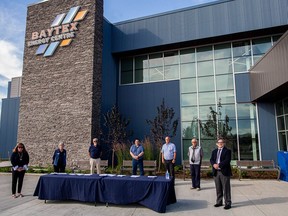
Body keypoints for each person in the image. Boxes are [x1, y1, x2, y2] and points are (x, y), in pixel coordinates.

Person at [210, 138, 232, 210]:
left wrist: (218, 165)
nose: (220, 143)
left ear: (224, 143)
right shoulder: (214, 151)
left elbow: (227, 160)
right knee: (218, 188)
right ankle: (219, 202)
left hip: (224, 172)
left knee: (226, 188)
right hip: (216, 172)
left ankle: (228, 203)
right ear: (217, 143)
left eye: (222, 142)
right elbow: (211, 159)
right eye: (219, 142)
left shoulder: (227, 151)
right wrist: (214, 165)